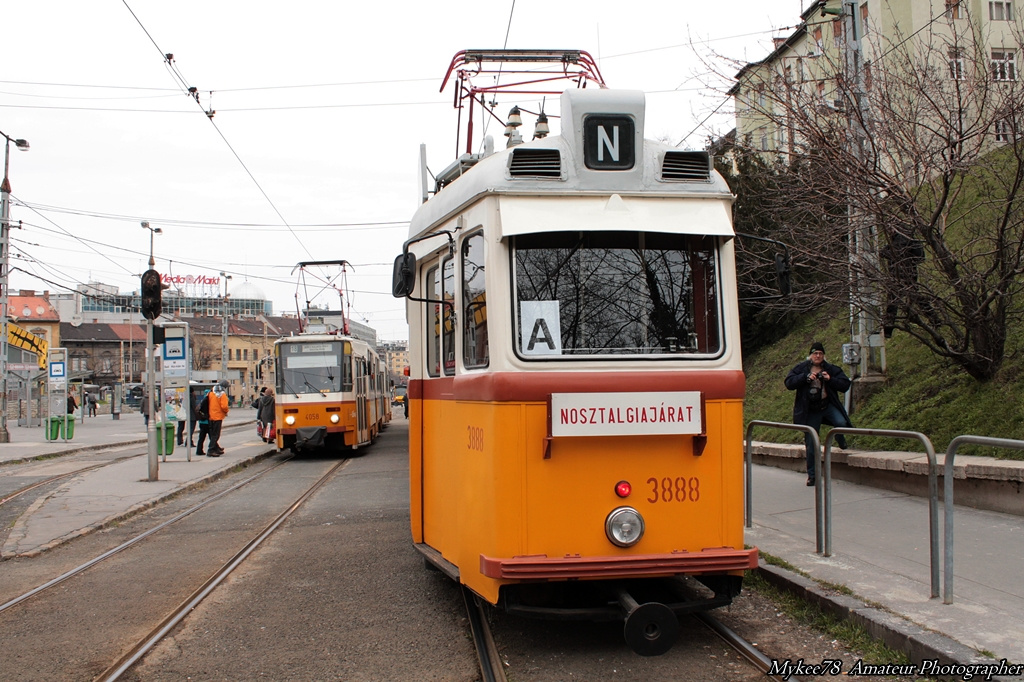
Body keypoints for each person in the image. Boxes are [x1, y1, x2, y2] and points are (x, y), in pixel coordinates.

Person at [784, 341, 853, 486]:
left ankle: (840, 438)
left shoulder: (830, 369)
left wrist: (830, 379)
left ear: (824, 356)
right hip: (810, 410)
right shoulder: (802, 368)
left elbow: (845, 384)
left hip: (827, 405)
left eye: (820, 353)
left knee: (841, 423)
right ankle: (812, 475)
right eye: (815, 353)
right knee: (811, 443)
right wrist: (805, 378)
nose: (818, 356)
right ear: (811, 355)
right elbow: (789, 382)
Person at [207, 380, 231, 457]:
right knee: (216, 435)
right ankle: (210, 450)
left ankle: (216, 448)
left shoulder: (211, 393)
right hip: (217, 416)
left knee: (213, 434)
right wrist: (226, 411)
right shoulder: (222, 394)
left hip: (210, 416)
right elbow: (224, 406)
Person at [195, 389, 212, 457]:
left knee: (201, 437)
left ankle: (199, 450)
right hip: (207, 421)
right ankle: (213, 449)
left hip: (201, 421)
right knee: (212, 436)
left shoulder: (202, 400)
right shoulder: (208, 400)